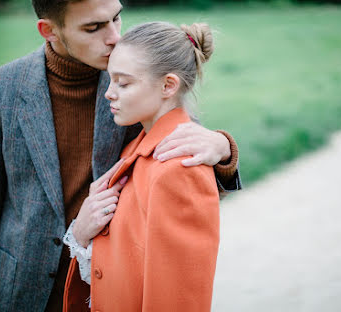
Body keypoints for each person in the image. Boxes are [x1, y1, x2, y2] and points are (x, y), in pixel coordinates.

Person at [0, 0, 241, 311]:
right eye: (93, 27)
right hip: (17, 289)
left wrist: (223, 148)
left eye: (116, 18)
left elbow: (181, 145)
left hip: (103, 289)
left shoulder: (133, 79)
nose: (114, 37)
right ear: (49, 30)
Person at [63, 21, 220, 312]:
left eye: (123, 83)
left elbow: (177, 298)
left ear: (168, 85)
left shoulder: (178, 168)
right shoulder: (138, 145)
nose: (109, 93)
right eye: (110, 80)